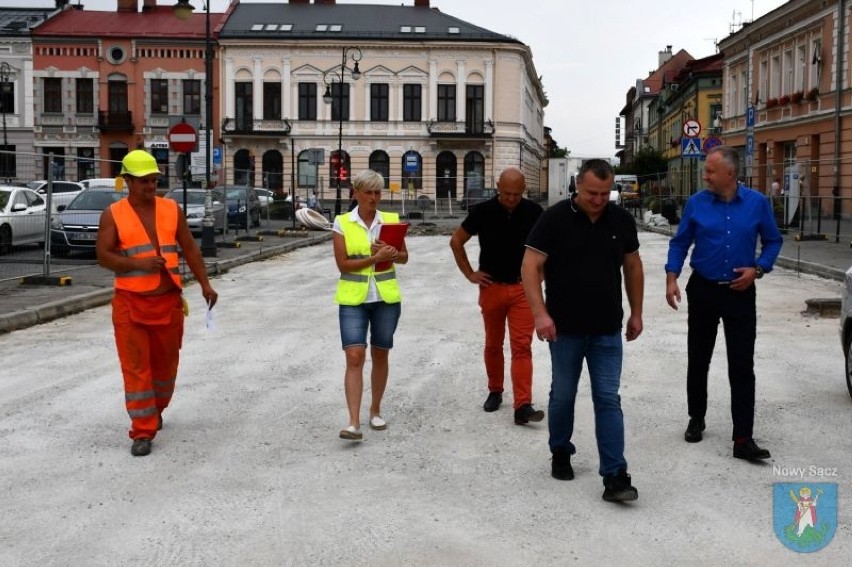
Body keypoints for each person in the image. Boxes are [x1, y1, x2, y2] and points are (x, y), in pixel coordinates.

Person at [522, 158, 644, 503]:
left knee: (608, 398)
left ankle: (615, 475)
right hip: (564, 328)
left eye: (605, 193)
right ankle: (560, 449)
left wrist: (636, 312)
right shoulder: (554, 218)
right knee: (563, 395)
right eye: (592, 193)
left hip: (607, 328)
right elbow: (530, 267)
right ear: (577, 187)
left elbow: (632, 267)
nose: (598, 200)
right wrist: (539, 314)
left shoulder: (620, 219)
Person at [96, 150, 218, 457]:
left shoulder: (170, 209)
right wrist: (135, 263)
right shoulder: (113, 214)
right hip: (129, 304)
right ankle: (142, 430)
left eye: (154, 180)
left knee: (165, 368)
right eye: (144, 181)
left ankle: (156, 409)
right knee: (136, 369)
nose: (151, 186)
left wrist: (205, 284)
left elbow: (190, 249)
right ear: (127, 181)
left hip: (168, 303)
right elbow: (103, 256)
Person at [665, 145, 782, 462]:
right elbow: (680, 243)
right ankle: (696, 417)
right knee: (698, 358)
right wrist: (671, 276)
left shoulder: (757, 204)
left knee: (742, 364)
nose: (705, 175)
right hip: (704, 289)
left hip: (741, 293)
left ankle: (743, 438)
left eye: (710, 171)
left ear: (729, 174)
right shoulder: (696, 204)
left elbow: (773, 240)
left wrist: (758, 269)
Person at [449, 167, 545, 425]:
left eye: (516, 194)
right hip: (491, 287)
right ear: (497, 187)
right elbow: (456, 241)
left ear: (524, 190)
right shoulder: (482, 212)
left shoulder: (535, 213)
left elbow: (549, 246)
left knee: (521, 346)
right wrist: (470, 273)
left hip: (522, 290)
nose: (511, 198)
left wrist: (540, 274)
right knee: (493, 343)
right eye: (506, 193)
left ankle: (523, 405)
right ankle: (495, 390)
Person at [332, 169, 408, 441]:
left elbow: (404, 258)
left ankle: (375, 410)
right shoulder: (342, 222)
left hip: (385, 298)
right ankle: (353, 422)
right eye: (368, 192)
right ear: (357, 193)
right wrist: (375, 259)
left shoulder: (391, 221)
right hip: (353, 299)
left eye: (378, 192)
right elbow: (342, 264)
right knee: (354, 356)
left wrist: (392, 254)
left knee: (380, 354)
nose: (374, 197)